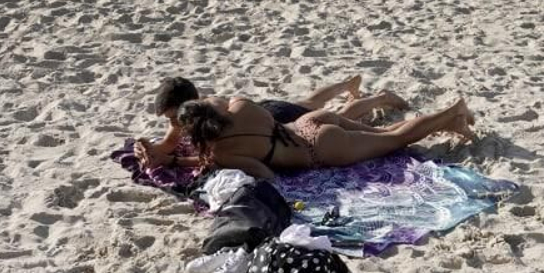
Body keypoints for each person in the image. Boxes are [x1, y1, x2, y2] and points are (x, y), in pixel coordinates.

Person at [135, 74, 408, 169]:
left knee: (338, 116)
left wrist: (165, 156)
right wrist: (147, 149)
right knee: (308, 103)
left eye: (172, 116)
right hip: (261, 111)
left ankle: (378, 98)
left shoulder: (199, 116)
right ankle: (346, 84)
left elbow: (176, 148)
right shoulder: (195, 110)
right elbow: (166, 145)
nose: (172, 123)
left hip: (275, 120)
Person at [177, 96, 477, 179]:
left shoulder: (223, 152)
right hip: (308, 122)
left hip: (320, 150)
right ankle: (453, 121)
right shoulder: (241, 107)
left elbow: (264, 173)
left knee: (395, 139)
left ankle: (453, 110)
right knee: (388, 133)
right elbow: (223, 100)